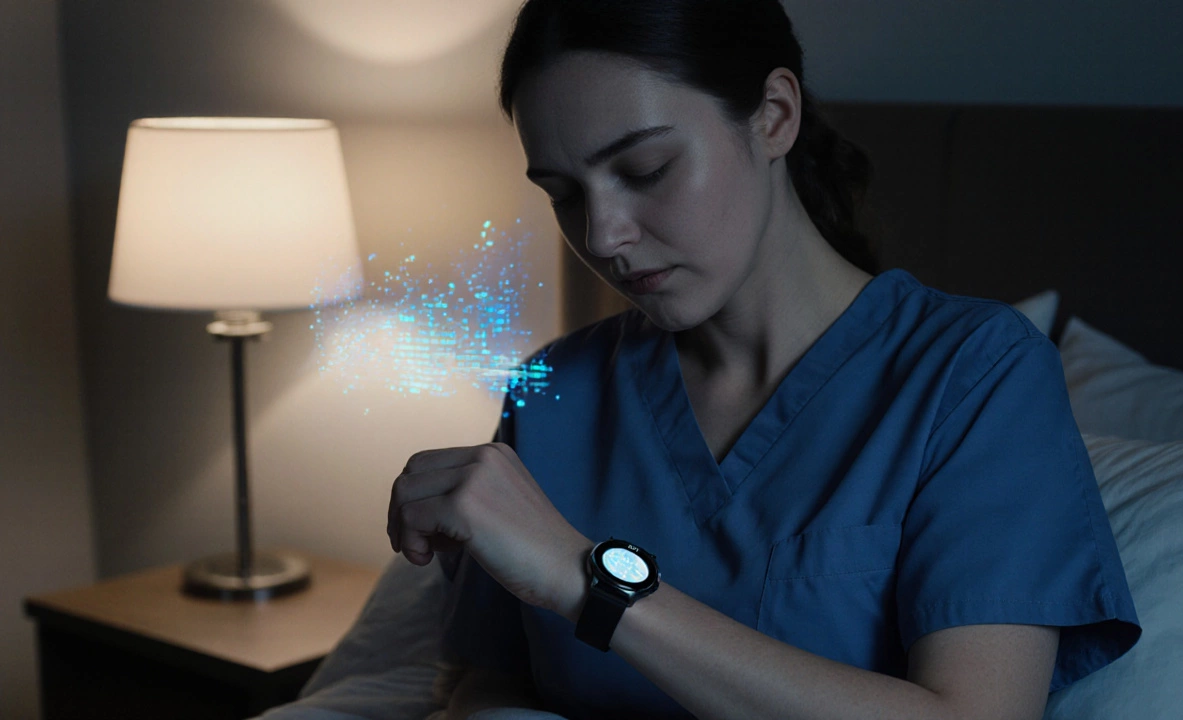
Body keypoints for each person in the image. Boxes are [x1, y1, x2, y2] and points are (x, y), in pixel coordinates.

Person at [386, 2, 1142, 719]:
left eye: (645, 169)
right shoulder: (554, 394)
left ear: (775, 115)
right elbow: (485, 675)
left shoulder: (975, 375)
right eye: (562, 193)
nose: (604, 234)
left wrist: (586, 582)